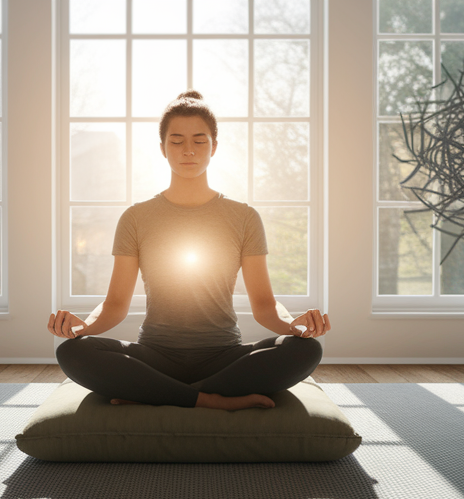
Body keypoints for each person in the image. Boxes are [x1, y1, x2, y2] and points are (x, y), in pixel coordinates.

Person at [46, 90, 332, 411]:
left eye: (199, 140)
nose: (188, 151)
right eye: (177, 141)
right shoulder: (136, 218)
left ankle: (154, 394)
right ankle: (209, 399)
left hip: (223, 356)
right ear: (163, 149)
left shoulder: (244, 217)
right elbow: (114, 305)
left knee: (306, 350)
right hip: (156, 355)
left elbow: (265, 306)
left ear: (214, 147)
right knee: (71, 351)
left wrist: (293, 326)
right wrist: (83, 327)